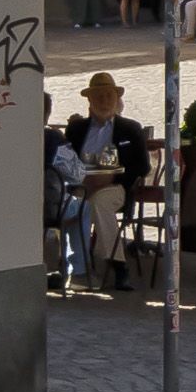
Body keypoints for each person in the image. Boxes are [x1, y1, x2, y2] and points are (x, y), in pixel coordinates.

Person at [59, 73, 150, 295]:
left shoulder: (130, 129)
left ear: (117, 99)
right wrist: (80, 179)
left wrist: (112, 177)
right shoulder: (77, 129)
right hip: (80, 185)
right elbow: (65, 159)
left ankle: (118, 265)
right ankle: (77, 266)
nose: (104, 101)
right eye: (98, 96)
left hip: (115, 186)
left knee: (98, 203)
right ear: (89, 100)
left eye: (109, 95)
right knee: (70, 205)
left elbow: (142, 167)